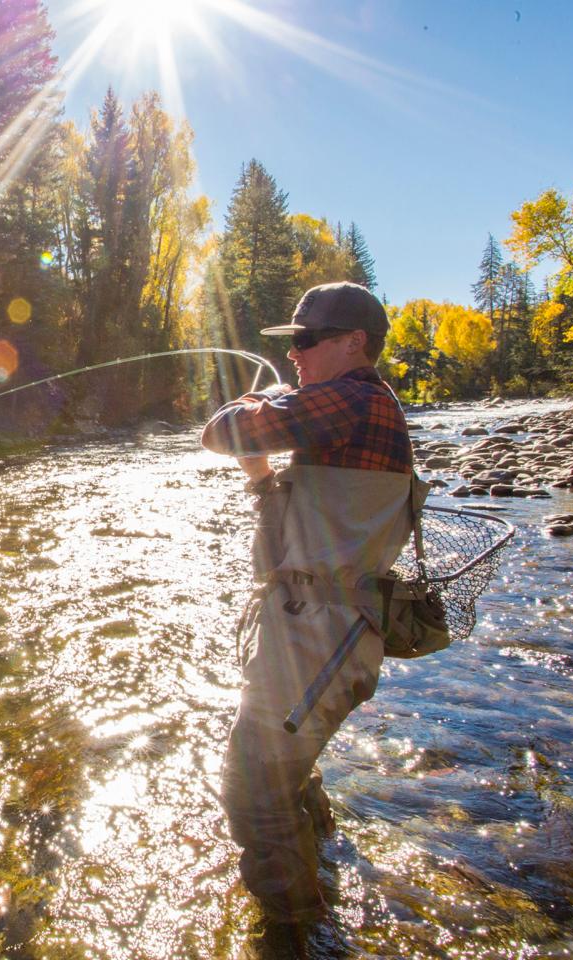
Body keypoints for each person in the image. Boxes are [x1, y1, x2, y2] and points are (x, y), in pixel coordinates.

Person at [200, 281, 417, 927]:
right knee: (284, 770)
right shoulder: (342, 419)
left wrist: (258, 405)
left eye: (306, 339)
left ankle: (295, 924)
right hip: (313, 634)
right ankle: (317, 860)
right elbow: (283, 556)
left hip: (322, 641)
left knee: (251, 785)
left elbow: (220, 431)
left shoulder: (354, 400)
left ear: (356, 343)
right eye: (290, 343)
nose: (294, 353)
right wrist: (262, 478)